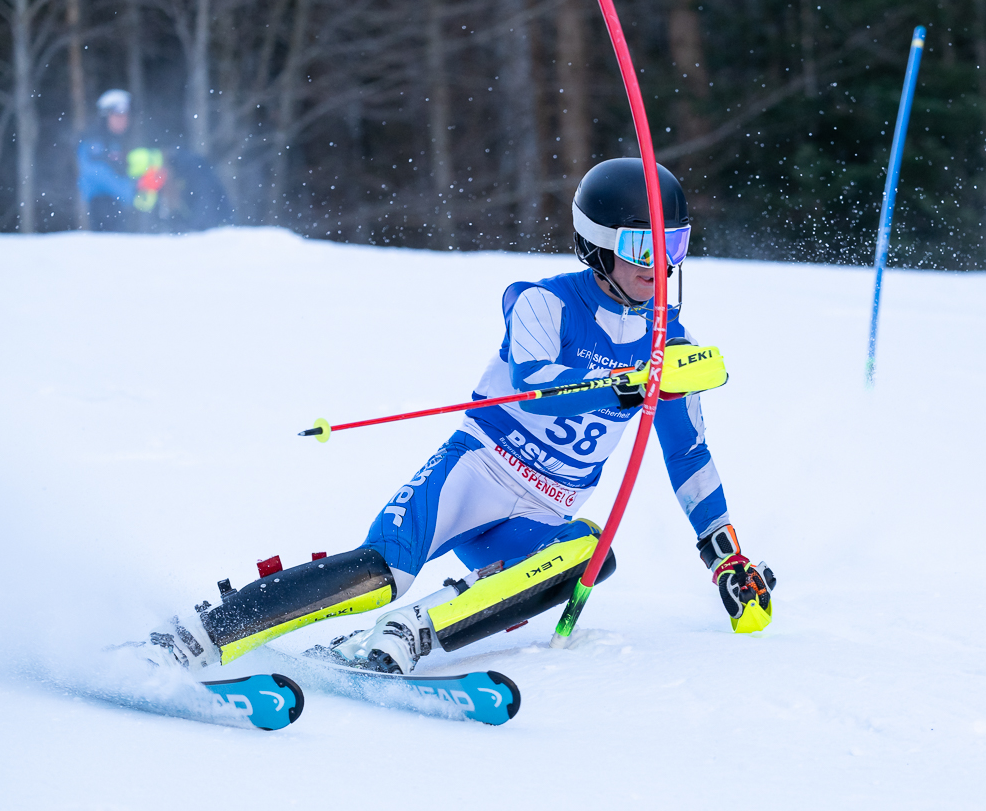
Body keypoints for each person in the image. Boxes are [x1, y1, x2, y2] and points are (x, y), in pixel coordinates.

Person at [148, 158, 775, 677]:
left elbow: (688, 454)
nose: (658, 263)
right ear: (599, 244)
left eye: (675, 244)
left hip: (543, 510)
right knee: (381, 573)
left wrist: (725, 556)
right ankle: (205, 632)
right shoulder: (542, 301)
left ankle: (414, 631)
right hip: (477, 470)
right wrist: (630, 388)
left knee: (592, 554)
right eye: (642, 244)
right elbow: (538, 385)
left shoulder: (672, 342)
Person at [77, 89, 166, 231]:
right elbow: (97, 175)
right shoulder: (95, 141)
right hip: (103, 205)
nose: (123, 120)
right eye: (118, 115)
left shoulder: (118, 140)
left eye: (126, 115)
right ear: (105, 116)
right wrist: (134, 188)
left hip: (124, 206)